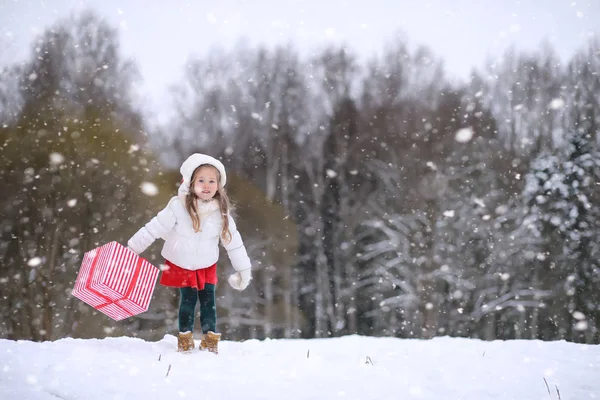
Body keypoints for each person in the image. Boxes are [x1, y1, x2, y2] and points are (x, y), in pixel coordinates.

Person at [127, 153, 252, 354]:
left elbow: (234, 243)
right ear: (191, 183)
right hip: (182, 262)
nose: (206, 185)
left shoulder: (221, 213)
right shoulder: (177, 207)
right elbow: (154, 228)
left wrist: (243, 269)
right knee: (187, 301)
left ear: (219, 185)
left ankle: (210, 338)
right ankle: (184, 337)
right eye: (201, 180)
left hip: (207, 263)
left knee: (208, 302)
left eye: (212, 181)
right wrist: (133, 249)